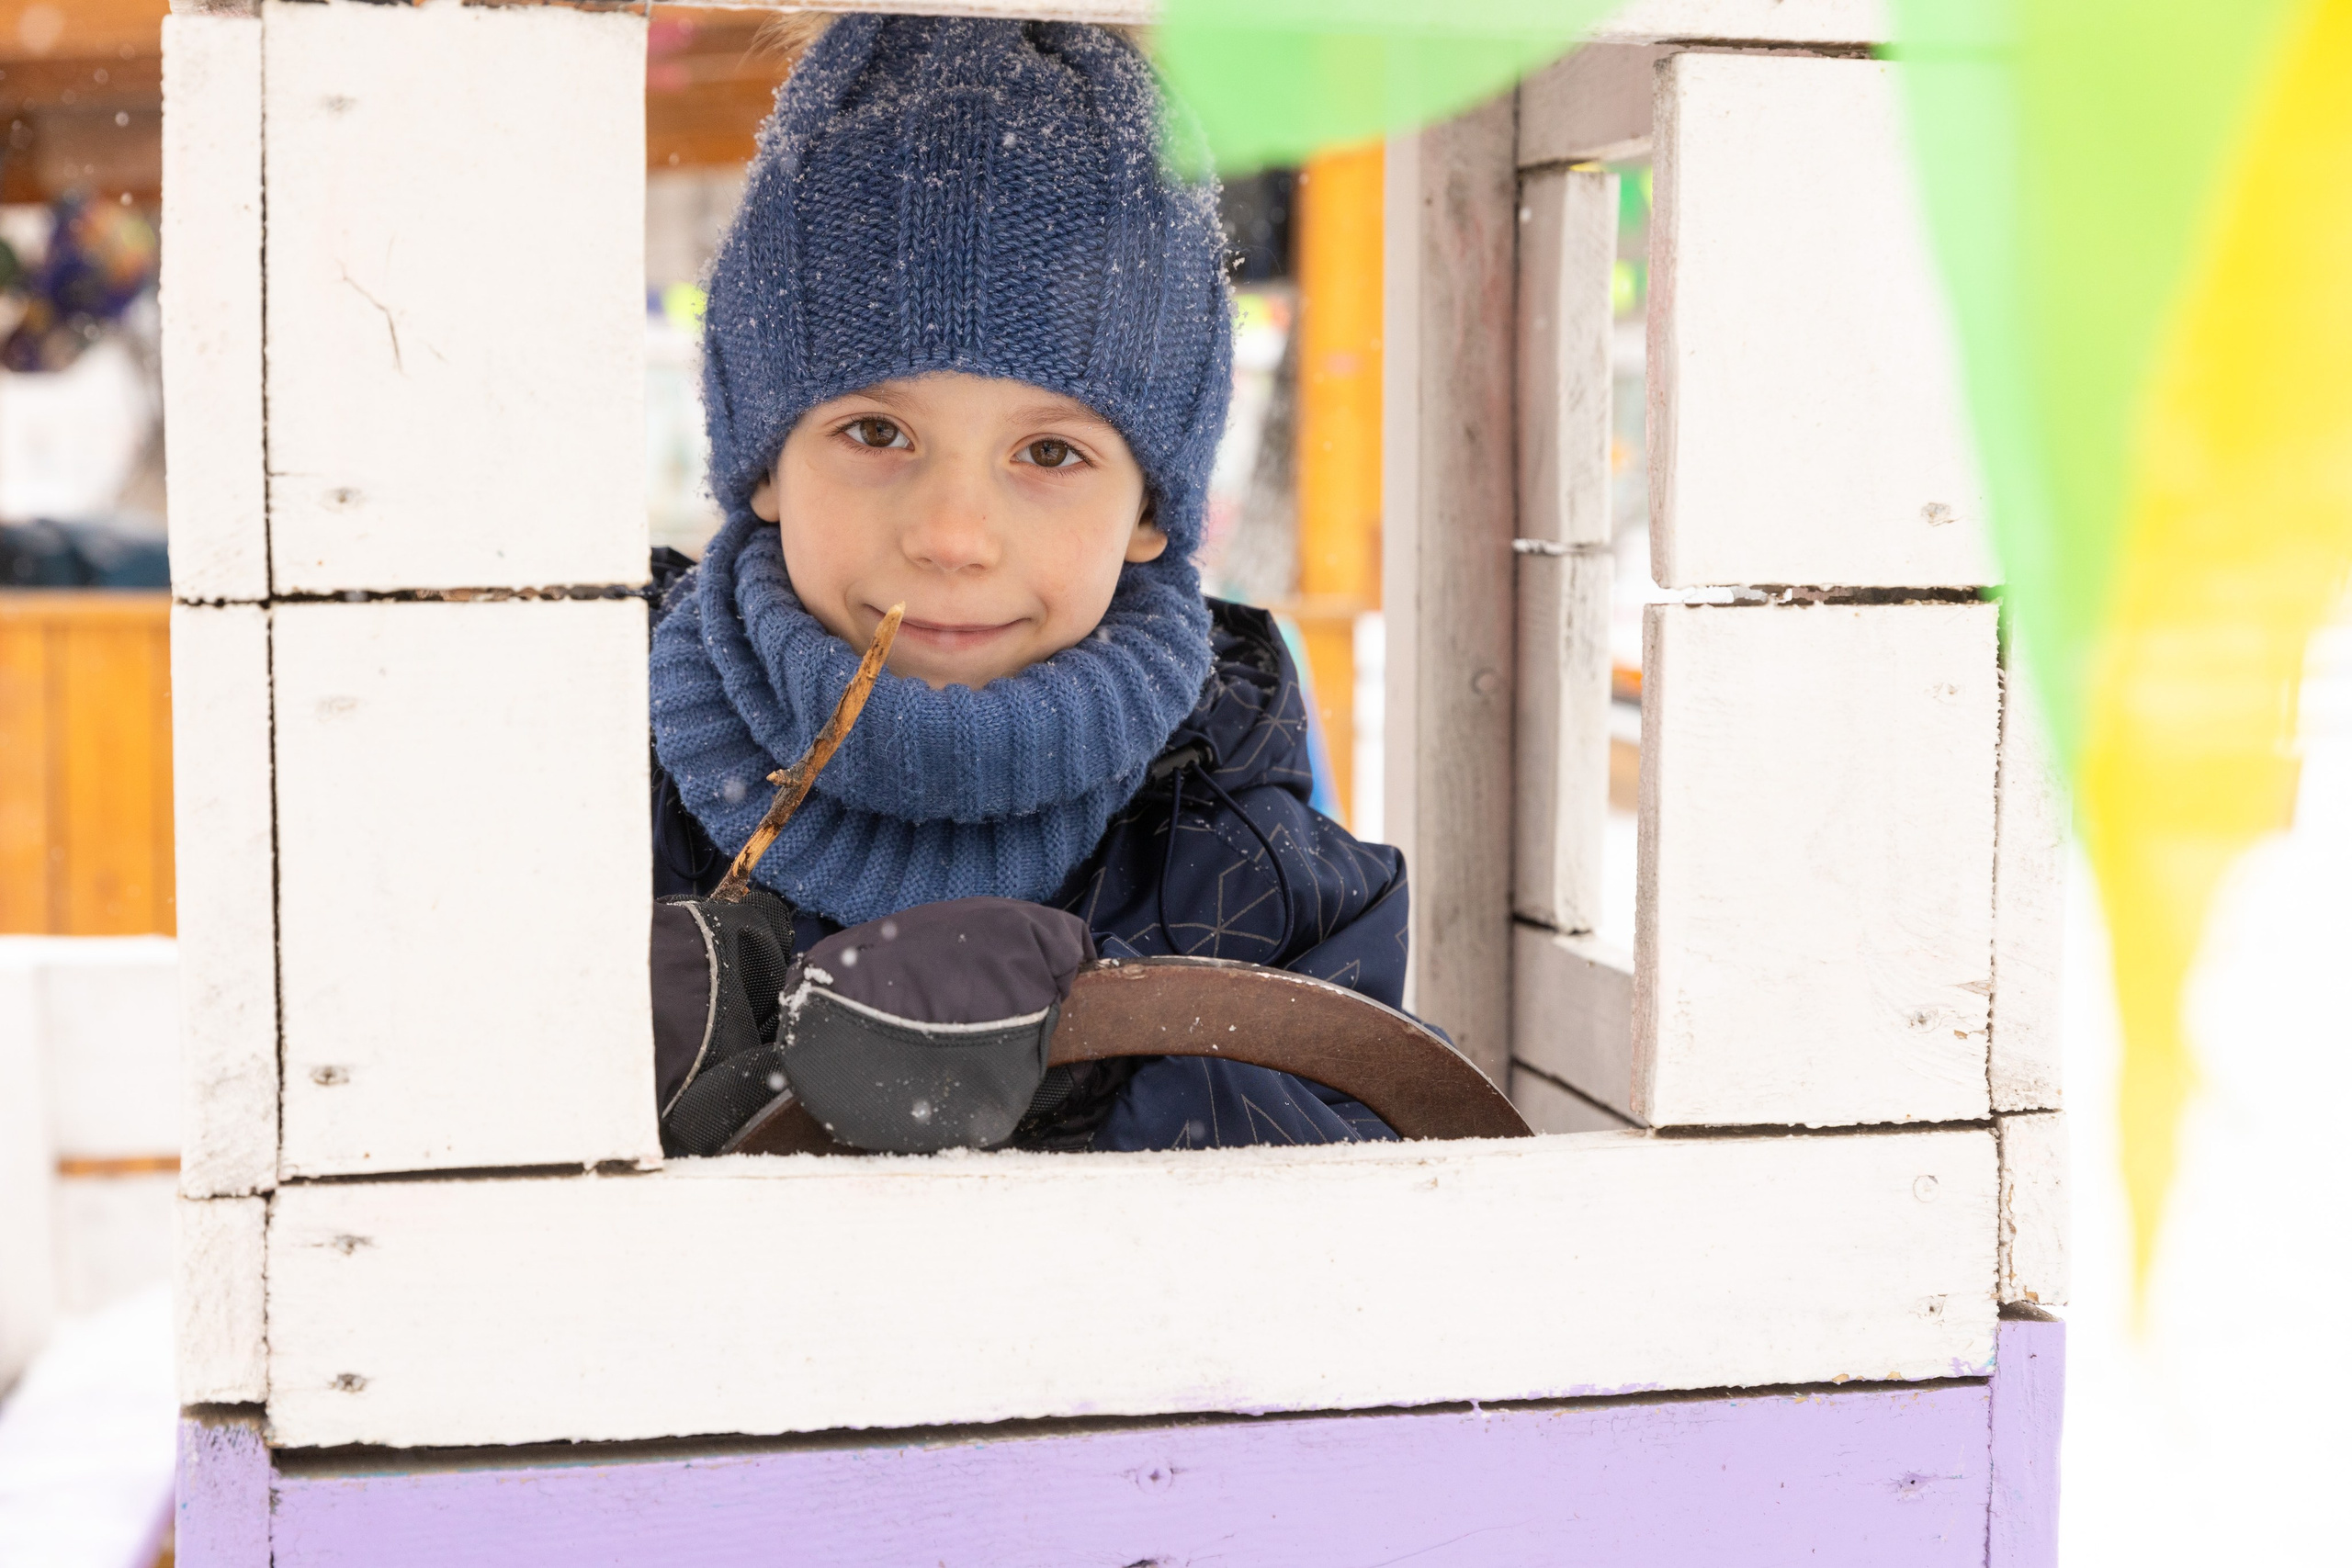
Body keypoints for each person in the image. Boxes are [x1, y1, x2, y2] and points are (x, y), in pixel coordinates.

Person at [645, 14, 1410, 1156]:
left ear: (1149, 511)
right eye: (874, 430)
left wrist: (1081, 1081)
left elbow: (1350, 1223)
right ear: (762, 467)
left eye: (1049, 455)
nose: (954, 535)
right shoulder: (582, 776)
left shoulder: (1253, 872)